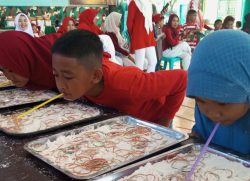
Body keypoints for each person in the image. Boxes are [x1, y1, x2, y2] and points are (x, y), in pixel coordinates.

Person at [52, 30, 187, 127]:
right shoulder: (81, 72)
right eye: (55, 75)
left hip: (152, 122)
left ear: (95, 76)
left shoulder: (128, 85)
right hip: (121, 125)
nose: (60, 85)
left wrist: (164, 122)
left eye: (68, 77)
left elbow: (182, 79)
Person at [187, 30, 250, 154]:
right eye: (201, 101)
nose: (213, 114)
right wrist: (194, 139)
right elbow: (200, 135)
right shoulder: (203, 114)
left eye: (222, 103)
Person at [127, 0, 157, 72]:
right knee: (139, 65)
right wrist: (134, 35)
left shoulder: (149, 3)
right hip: (139, 36)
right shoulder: (133, 3)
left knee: (153, 61)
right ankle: (139, 82)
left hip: (148, 36)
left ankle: (148, 81)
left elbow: (150, 20)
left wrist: (159, 16)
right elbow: (129, 22)